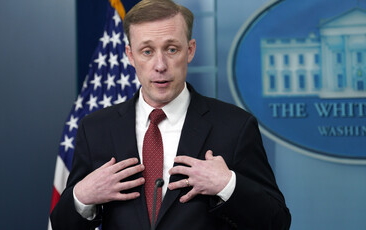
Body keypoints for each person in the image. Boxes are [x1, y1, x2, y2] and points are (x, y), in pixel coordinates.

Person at [50, 0, 291, 229]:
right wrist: (83, 197)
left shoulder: (235, 126)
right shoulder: (96, 129)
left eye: (171, 49)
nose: (160, 65)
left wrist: (227, 185)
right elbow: (62, 225)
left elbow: (277, 221)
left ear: (190, 50)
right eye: (147, 51)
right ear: (130, 55)